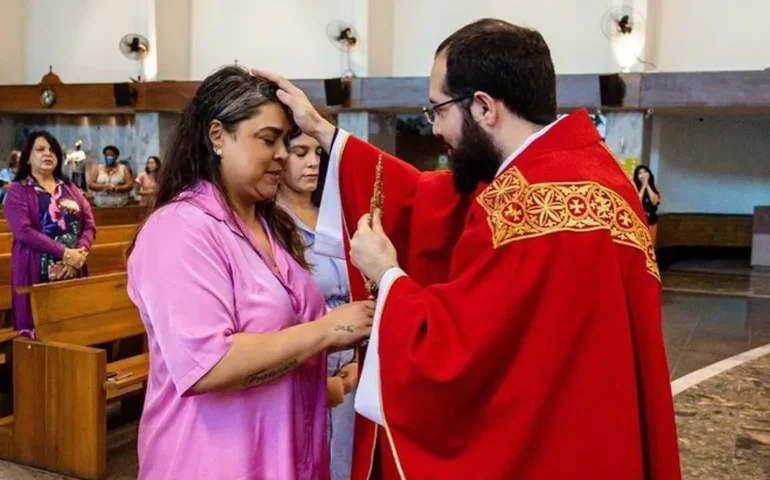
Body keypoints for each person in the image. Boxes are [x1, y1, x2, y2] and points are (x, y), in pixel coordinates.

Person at [256, 17, 681, 480]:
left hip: (548, 449)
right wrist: (325, 134)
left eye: (437, 109)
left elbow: (457, 348)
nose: (435, 128)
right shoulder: (597, 175)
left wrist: (387, 275)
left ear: (483, 107)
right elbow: (429, 199)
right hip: (597, 436)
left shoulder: (519, 206)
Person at [126, 66, 374, 480]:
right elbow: (208, 365)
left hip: (285, 448)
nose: (282, 153)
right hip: (213, 457)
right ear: (218, 135)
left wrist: (323, 377)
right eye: (269, 139)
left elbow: (279, 333)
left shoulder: (268, 226)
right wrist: (329, 332)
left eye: (284, 140)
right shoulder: (180, 229)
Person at [276, 131, 357, 480]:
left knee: (347, 462)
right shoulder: (271, 224)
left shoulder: (332, 216)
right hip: (307, 366)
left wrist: (360, 361)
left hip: (352, 365)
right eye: (300, 152)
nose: (312, 162)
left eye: (317, 153)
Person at [4, 131, 95, 333]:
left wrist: (80, 254)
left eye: (52, 150)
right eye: (40, 149)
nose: (48, 153)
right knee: (39, 336)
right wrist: (65, 253)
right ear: (28, 157)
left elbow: (89, 225)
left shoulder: (70, 187)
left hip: (73, 268)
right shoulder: (19, 191)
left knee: (74, 331)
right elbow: (24, 232)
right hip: (35, 269)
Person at [634, 165, 661, 245]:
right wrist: (643, 186)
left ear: (649, 174)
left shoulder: (655, 187)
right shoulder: (634, 188)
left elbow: (654, 201)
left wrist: (647, 185)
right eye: (640, 173)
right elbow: (637, 201)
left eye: (645, 172)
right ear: (637, 176)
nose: (643, 174)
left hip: (651, 221)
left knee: (650, 244)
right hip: (639, 221)